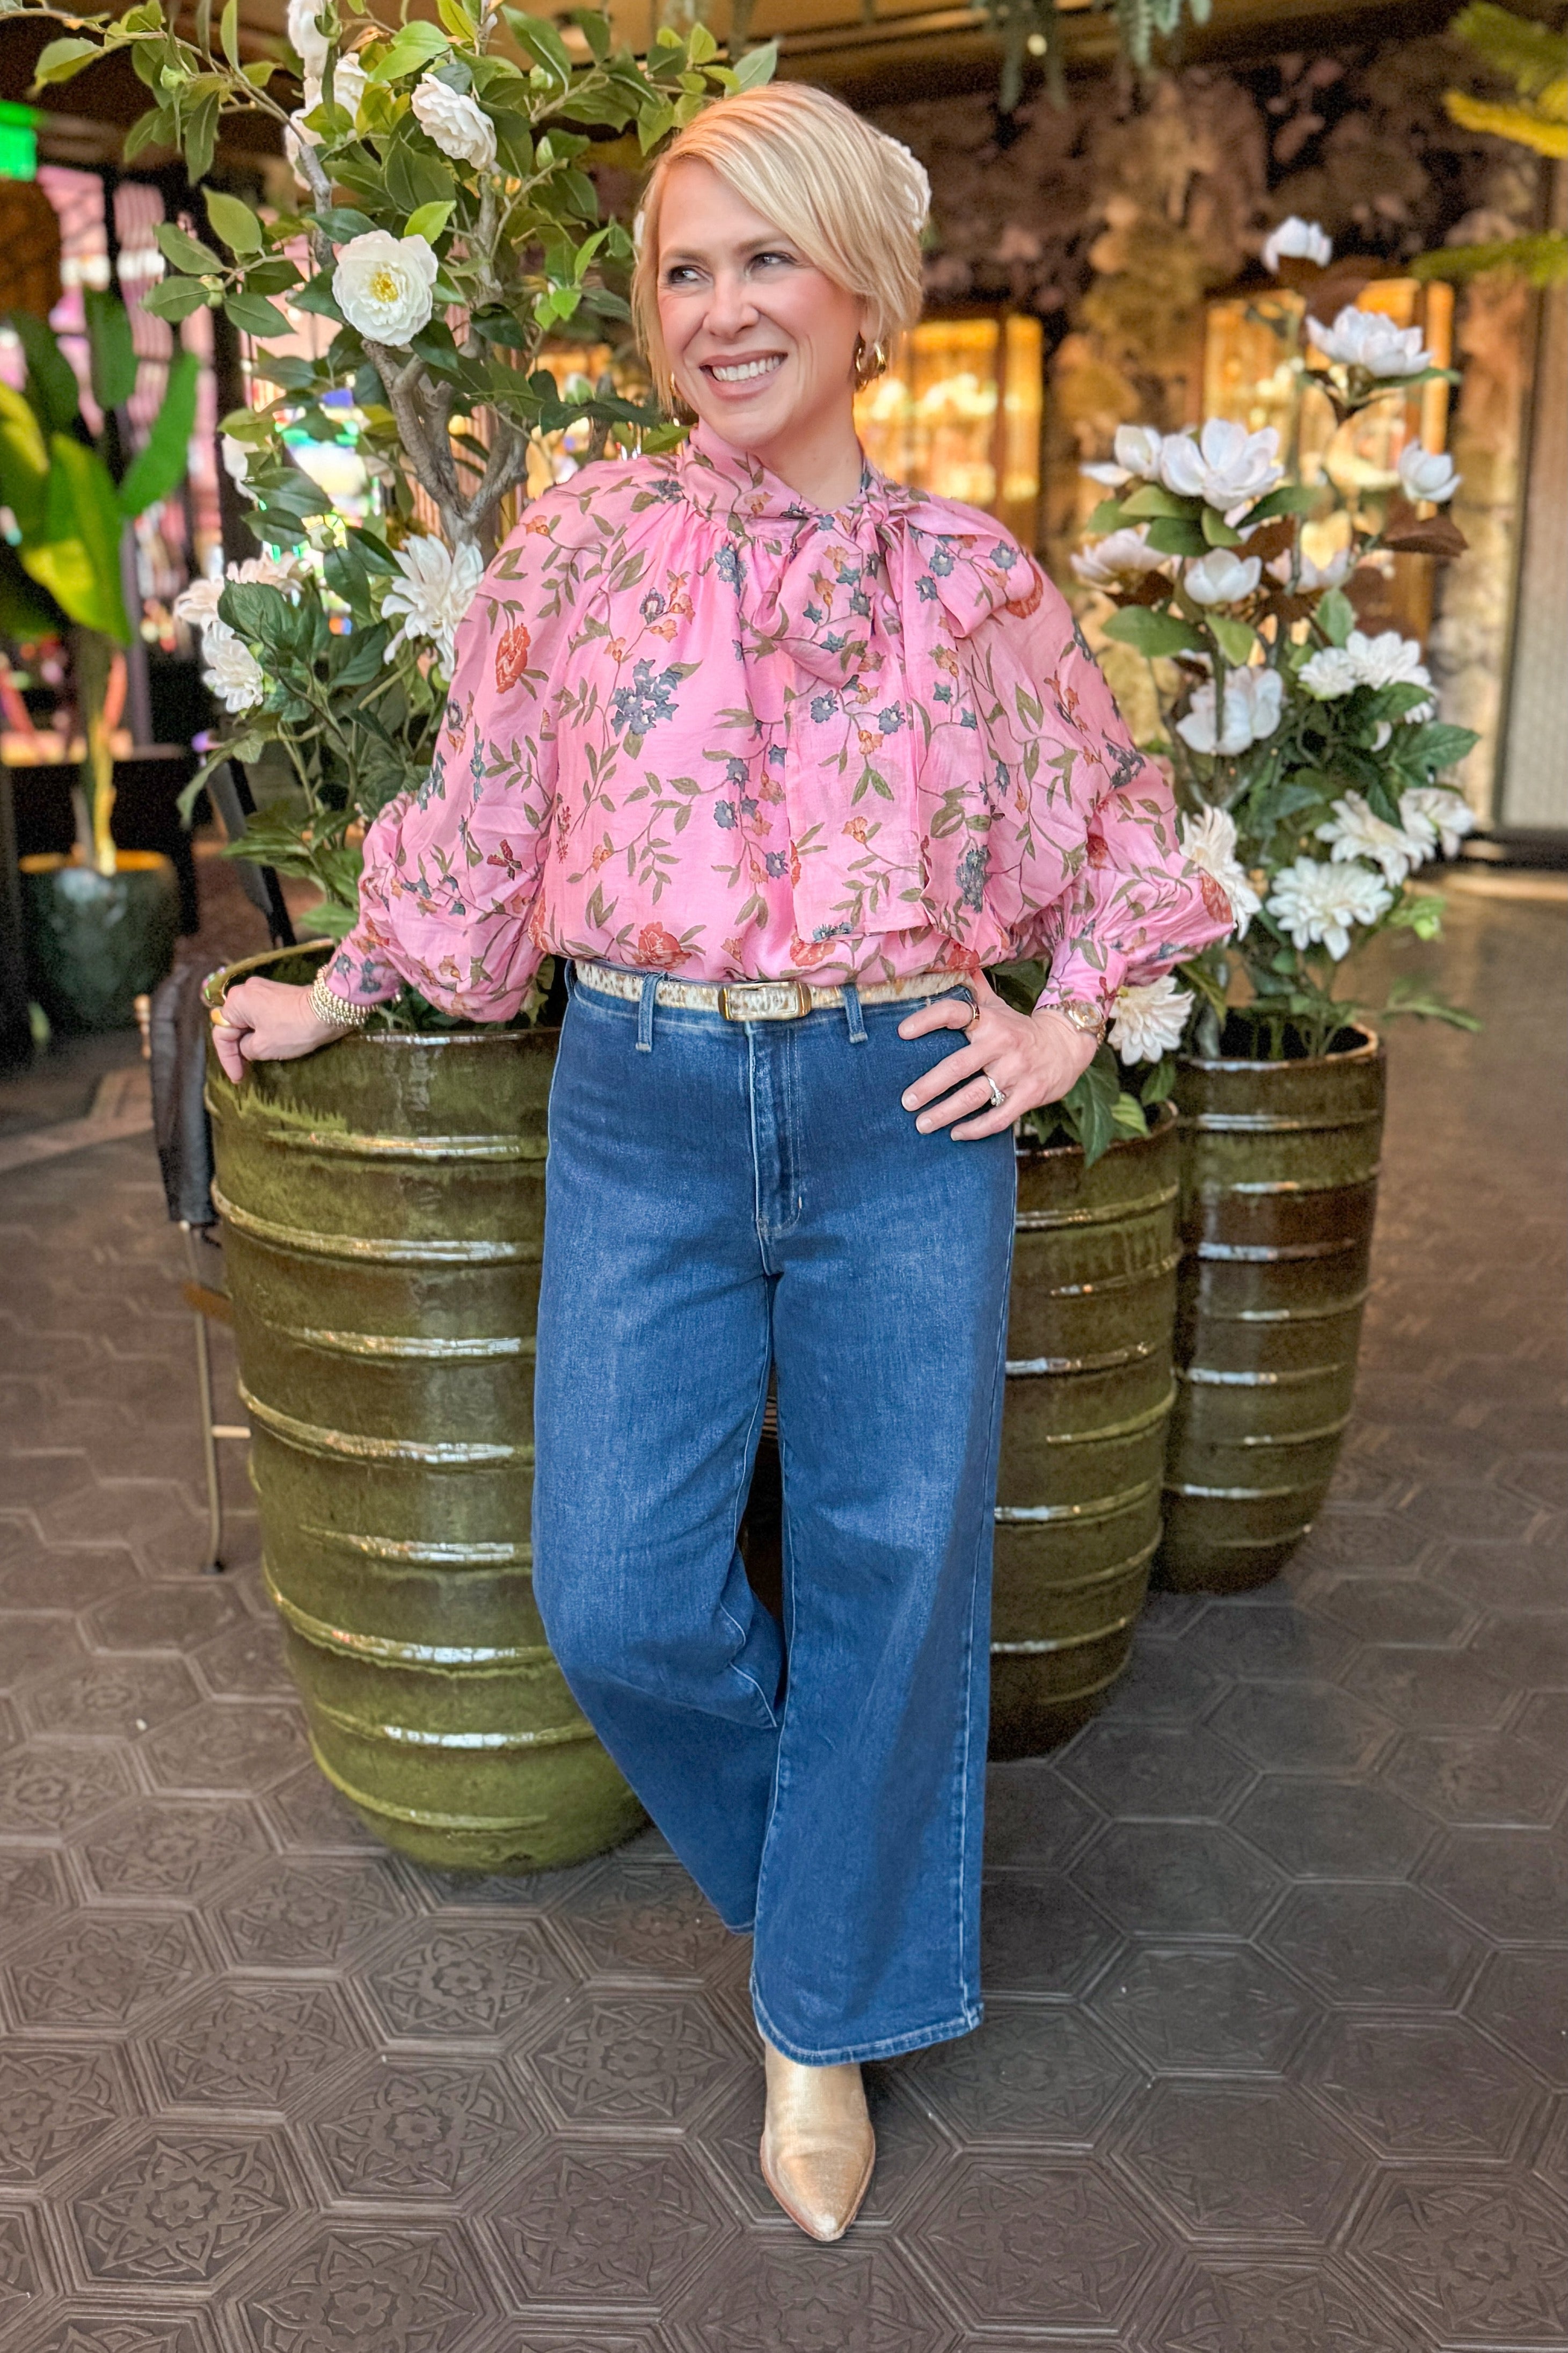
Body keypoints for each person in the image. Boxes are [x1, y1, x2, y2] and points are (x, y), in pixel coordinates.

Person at [212, 82, 1228, 2242]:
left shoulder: (970, 578)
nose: (718, 307)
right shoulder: (579, 546)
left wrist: (1053, 1030)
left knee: (889, 1574)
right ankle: (843, 1906)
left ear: (862, 288)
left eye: (765, 257)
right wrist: (349, 983)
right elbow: (487, 800)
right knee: (614, 1589)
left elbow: (1122, 830)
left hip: (897, 1112)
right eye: (683, 270)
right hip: (644, 1102)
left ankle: (818, 2016)